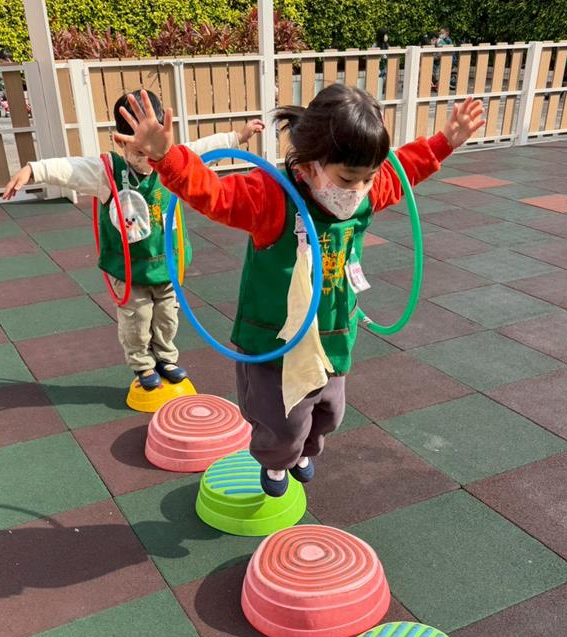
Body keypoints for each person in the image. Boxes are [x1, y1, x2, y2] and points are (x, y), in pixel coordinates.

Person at [113, 85, 485, 495]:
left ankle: (304, 449)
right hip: (277, 342)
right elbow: (215, 195)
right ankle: (276, 461)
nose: (358, 190)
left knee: (330, 412)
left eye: (368, 178)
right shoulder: (272, 198)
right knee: (284, 423)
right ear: (309, 164)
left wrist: (446, 141)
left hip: (332, 336)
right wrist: (166, 156)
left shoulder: (363, 195)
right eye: (347, 178)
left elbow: (404, 170)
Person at [3, 90, 265, 391]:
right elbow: (71, 169)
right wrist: (33, 170)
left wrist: (238, 137)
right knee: (137, 320)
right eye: (140, 152)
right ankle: (142, 364)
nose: (149, 159)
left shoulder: (171, 160)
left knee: (167, 316)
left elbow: (204, 148)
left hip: (166, 264)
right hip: (129, 270)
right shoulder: (107, 173)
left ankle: (166, 357)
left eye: (154, 151)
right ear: (121, 142)